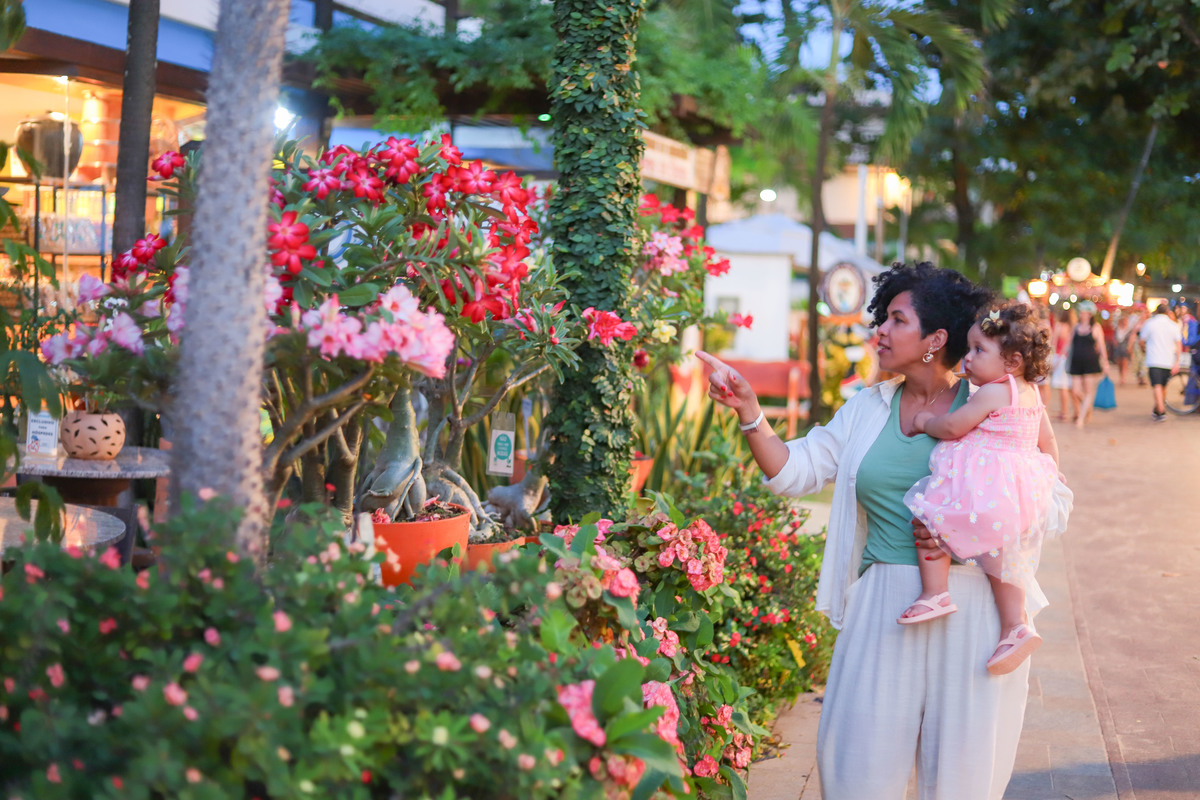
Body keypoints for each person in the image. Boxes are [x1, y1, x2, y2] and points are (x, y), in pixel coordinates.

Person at [697, 262, 1073, 800]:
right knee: (857, 773)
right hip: (884, 607)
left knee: (963, 785)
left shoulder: (998, 400)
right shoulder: (868, 409)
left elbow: (1052, 496)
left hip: (977, 613)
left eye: (897, 320)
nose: (880, 331)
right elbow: (792, 473)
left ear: (934, 339)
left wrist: (969, 530)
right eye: (884, 317)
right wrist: (750, 411)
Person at [898, 302, 1060, 677]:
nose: (967, 358)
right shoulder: (1031, 394)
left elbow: (954, 427)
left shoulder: (993, 393)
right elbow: (1048, 439)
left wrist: (925, 421)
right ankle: (1014, 627)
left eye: (978, 351)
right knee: (1004, 561)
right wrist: (1052, 473)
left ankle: (934, 593)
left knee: (931, 520)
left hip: (983, 487)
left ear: (1012, 362)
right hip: (1019, 493)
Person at [1067, 301, 1108, 428]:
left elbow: (1101, 346)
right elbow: (1069, 344)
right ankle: (1087, 407)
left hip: (1090, 362)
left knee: (1088, 391)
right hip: (1076, 362)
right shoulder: (1076, 327)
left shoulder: (1096, 327)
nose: (1082, 314)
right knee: (1075, 391)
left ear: (1090, 314)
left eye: (1084, 312)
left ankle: (1081, 418)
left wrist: (1105, 362)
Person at [1139, 304, 1182, 421]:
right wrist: (1177, 361)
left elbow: (1141, 340)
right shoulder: (1173, 325)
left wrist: (1144, 349)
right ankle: (1158, 408)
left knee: (1157, 385)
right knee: (1162, 386)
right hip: (1168, 360)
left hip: (1154, 359)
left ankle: (1161, 410)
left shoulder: (1150, 323)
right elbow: (1178, 344)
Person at [1049, 308, 1075, 420]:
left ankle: (1064, 412)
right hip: (1070, 358)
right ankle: (1076, 410)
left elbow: (1053, 342)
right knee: (1070, 387)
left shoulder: (1059, 326)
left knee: (1062, 386)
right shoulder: (1073, 327)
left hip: (1060, 357)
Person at [1112, 311, 1138, 385]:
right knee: (1119, 363)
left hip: (1125, 347)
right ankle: (1121, 375)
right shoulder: (1117, 329)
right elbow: (1114, 337)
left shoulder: (1129, 330)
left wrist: (1130, 347)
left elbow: (1131, 338)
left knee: (1124, 362)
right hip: (1118, 347)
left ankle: (1123, 377)